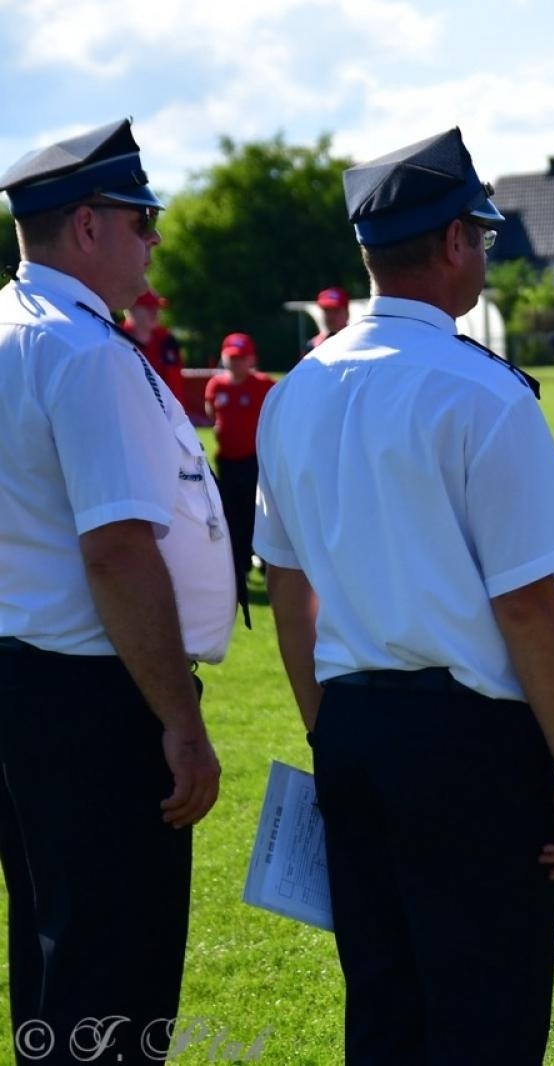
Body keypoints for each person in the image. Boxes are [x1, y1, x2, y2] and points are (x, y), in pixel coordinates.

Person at [253, 127, 554, 1065]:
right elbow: (525, 604)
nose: (484, 253)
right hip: (471, 745)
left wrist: (326, 724)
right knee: (485, 1014)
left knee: (384, 1007)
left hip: (355, 729)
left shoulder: (295, 392)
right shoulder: (482, 394)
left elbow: (288, 588)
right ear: (454, 242)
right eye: (481, 236)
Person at [0, 119, 230, 1063]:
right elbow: (120, 552)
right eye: (143, 219)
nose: (157, 238)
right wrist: (179, 720)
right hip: (95, 699)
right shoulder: (82, 351)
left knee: (55, 956)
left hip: (26, 686)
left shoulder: (19, 330)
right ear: (88, 226)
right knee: (114, 980)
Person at [203, 331, 273, 609]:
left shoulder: (264, 385)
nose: (235, 364)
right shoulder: (216, 386)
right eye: (231, 358)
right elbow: (211, 413)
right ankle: (239, 564)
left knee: (259, 512)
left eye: (240, 359)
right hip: (227, 461)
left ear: (251, 359)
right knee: (231, 514)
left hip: (255, 460)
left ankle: (266, 562)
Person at [122, 287, 187, 399]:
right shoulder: (116, 338)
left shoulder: (167, 340)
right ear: (131, 309)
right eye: (148, 307)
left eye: (157, 307)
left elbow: (175, 387)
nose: (155, 312)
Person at [304, 285, 349, 353]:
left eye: (335, 311)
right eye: (326, 311)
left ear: (347, 313)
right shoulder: (313, 346)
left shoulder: (358, 342)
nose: (330, 316)